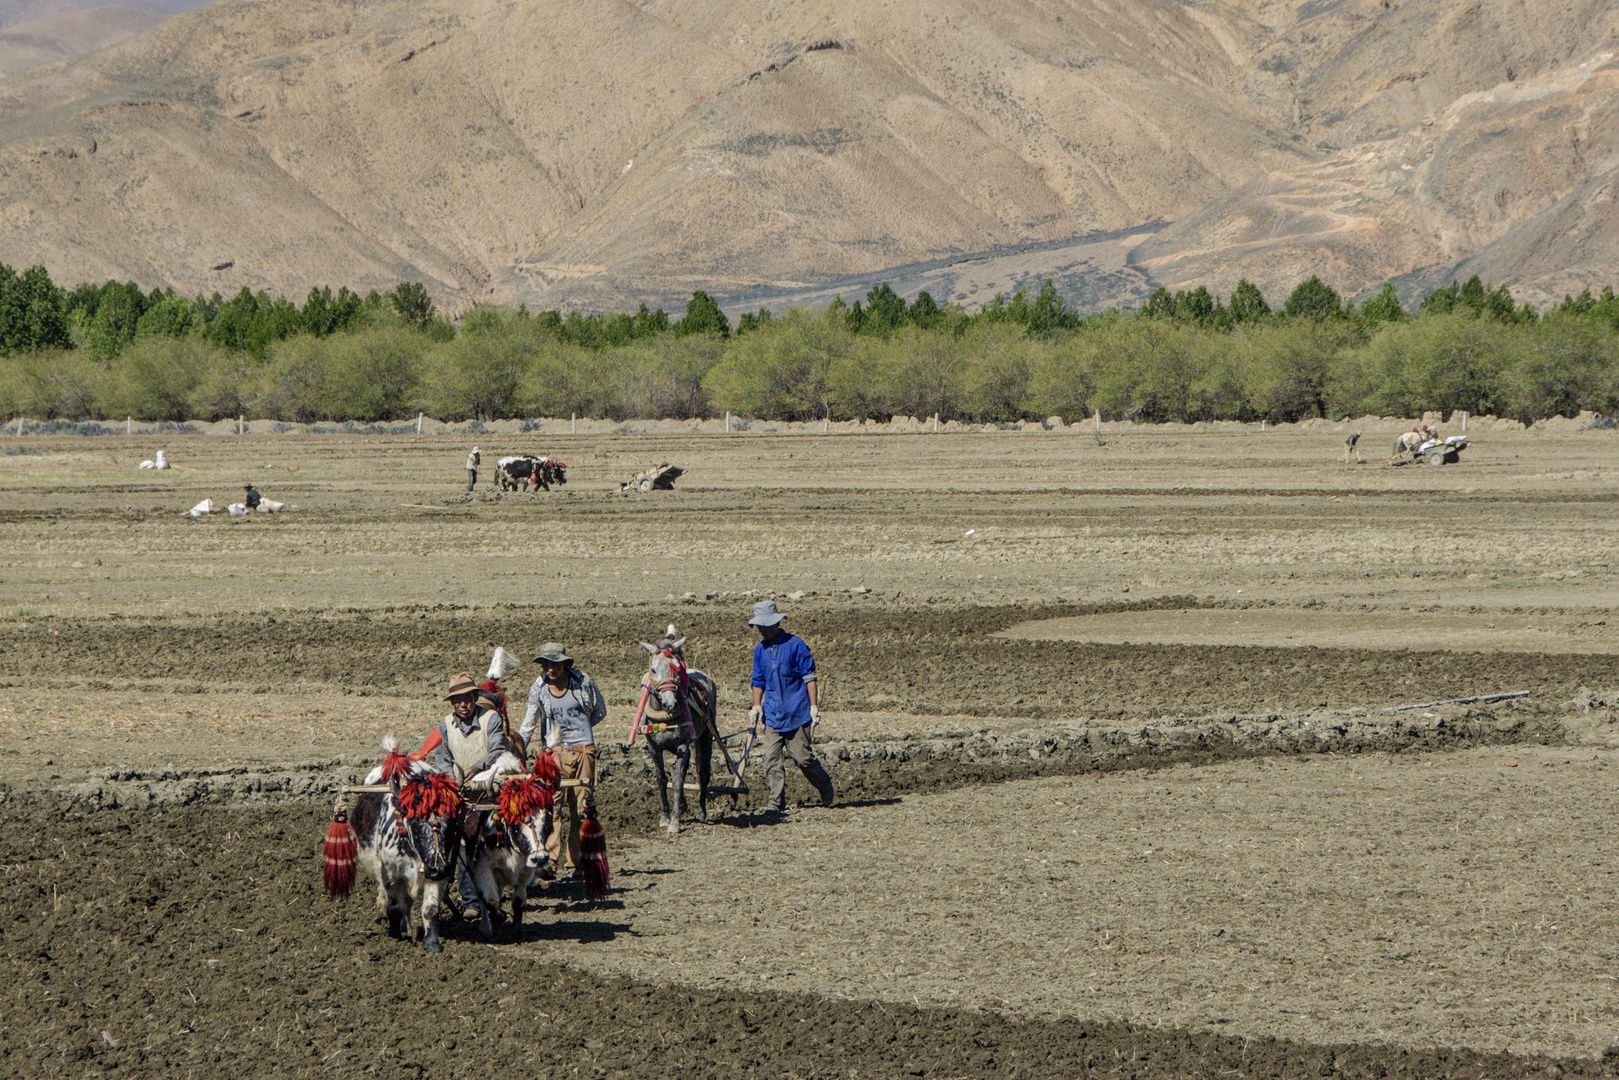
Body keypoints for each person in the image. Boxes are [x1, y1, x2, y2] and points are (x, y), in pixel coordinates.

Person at [408, 673, 517, 921]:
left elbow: (499, 749)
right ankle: (466, 897)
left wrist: (476, 768)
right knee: (451, 839)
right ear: (452, 703)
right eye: (457, 700)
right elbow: (442, 758)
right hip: (458, 791)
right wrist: (452, 778)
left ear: (474, 697)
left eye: (466, 699)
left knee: (489, 840)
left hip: (488, 789)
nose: (462, 704)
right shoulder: (446, 725)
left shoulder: (491, 719)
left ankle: (493, 892)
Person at [519, 643, 607, 881]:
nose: (550, 669)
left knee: (581, 808)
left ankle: (575, 864)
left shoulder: (583, 683)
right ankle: (550, 860)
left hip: (583, 750)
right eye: (546, 665)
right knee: (552, 807)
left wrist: (580, 732)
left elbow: (600, 711)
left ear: (565, 664)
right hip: (554, 755)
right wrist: (519, 751)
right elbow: (529, 723)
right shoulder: (538, 689)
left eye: (554, 664)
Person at [748, 600, 834, 814]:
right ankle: (775, 803)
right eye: (760, 627)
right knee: (771, 759)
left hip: (797, 711)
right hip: (773, 714)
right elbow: (758, 679)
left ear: (776, 623)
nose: (763, 631)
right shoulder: (760, 650)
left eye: (766, 626)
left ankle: (824, 785)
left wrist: (814, 707)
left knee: (802, 759)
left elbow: (809, 677)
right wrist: (757, 705)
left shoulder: (796, 645)